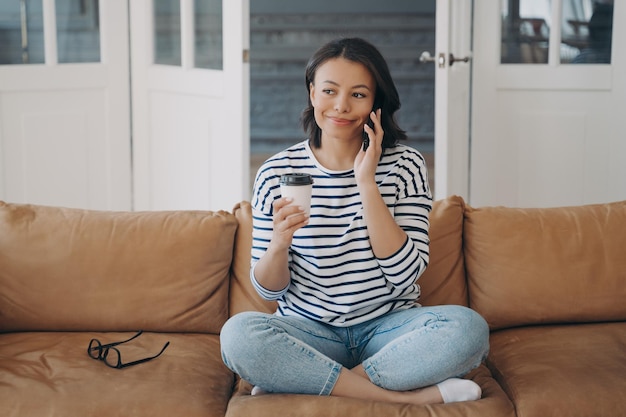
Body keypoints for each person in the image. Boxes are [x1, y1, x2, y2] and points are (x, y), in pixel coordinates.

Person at [220, 37, 489, 406]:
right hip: (308, 331)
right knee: (238, 336)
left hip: (388, 328)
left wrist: (367, 182)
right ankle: (405, 399)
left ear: (376, 102)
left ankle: (302, 380)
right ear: (313, 93)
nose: (341, 106)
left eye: (359, 95)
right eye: (329, 90)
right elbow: (269, 291)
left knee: (468, 330)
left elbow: (403, 274)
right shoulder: (276, 172)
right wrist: (279, 244)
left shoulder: (404, 165)